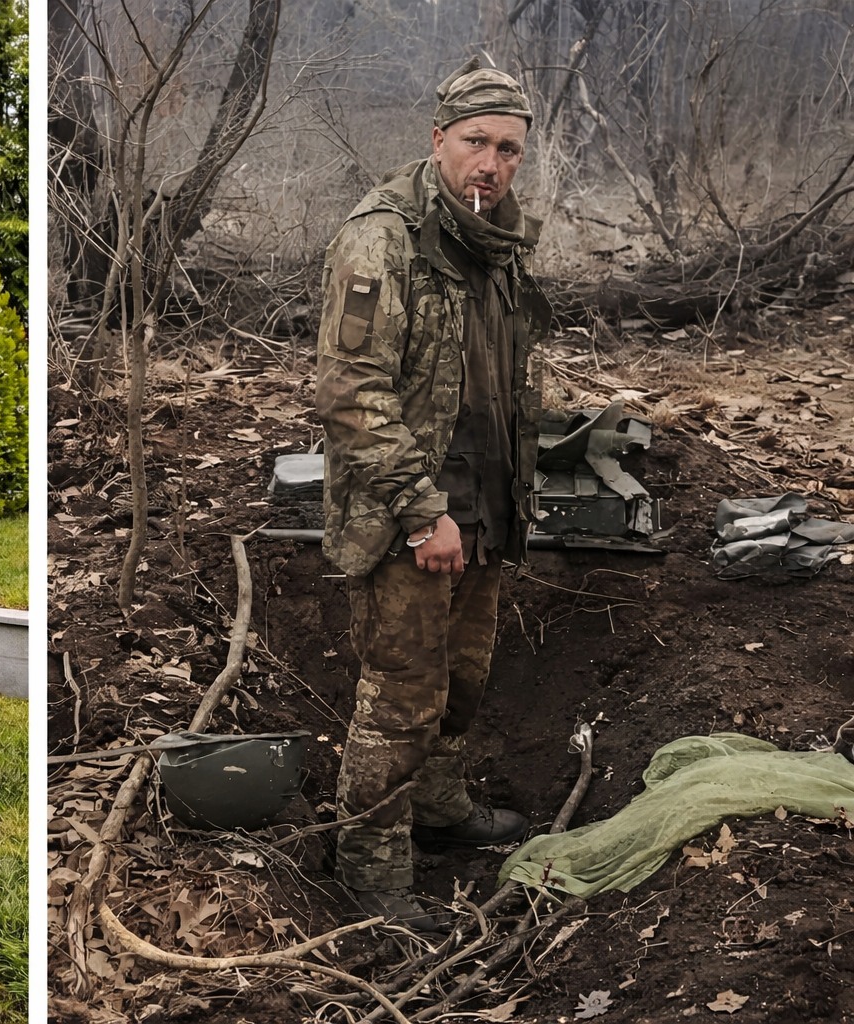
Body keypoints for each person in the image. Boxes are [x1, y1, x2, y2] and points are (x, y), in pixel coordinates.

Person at [315, 58, 552, 928]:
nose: (491, 163)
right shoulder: (383, 237)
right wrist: (423, 510)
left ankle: (441, 811)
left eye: (509, 150)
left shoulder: (498, 240)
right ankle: (371, 869)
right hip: (408, 515)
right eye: (476, 143)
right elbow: (349, 391)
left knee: (465, 679)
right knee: (399, 696)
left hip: (487, 505)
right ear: (438, 140)